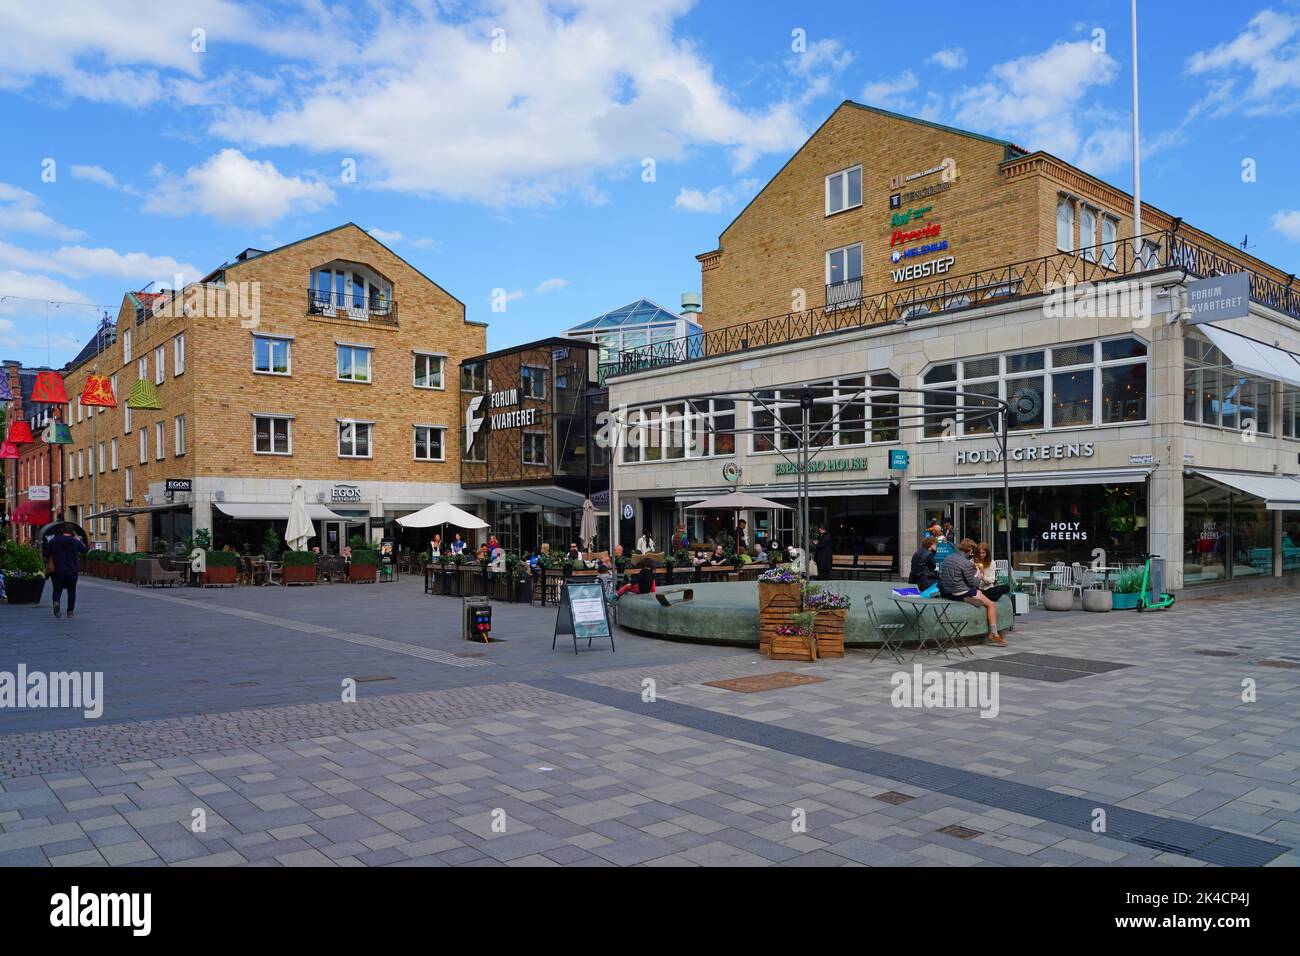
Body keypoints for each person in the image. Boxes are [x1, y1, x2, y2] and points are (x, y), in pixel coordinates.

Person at [939, 538, 1006, 646]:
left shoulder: (948, 558)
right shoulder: (966, 563)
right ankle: (994, 633)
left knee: (977, 594)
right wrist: (980, 575)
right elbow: (974, 584)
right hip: (960, 591)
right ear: (970, 550)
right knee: (991, 604)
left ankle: (970, 599)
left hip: (947, 592)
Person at [43, 524, 88, 619]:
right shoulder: (75, 541)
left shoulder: (54, 541)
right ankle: (70, 611)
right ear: (72, 532)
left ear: (62, 530)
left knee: (57, 589)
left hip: (57, 571)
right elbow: (85, 550)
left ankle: (56, 602)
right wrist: (78, 539)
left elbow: (45, 553)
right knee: (71, 591)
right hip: (72, 571)